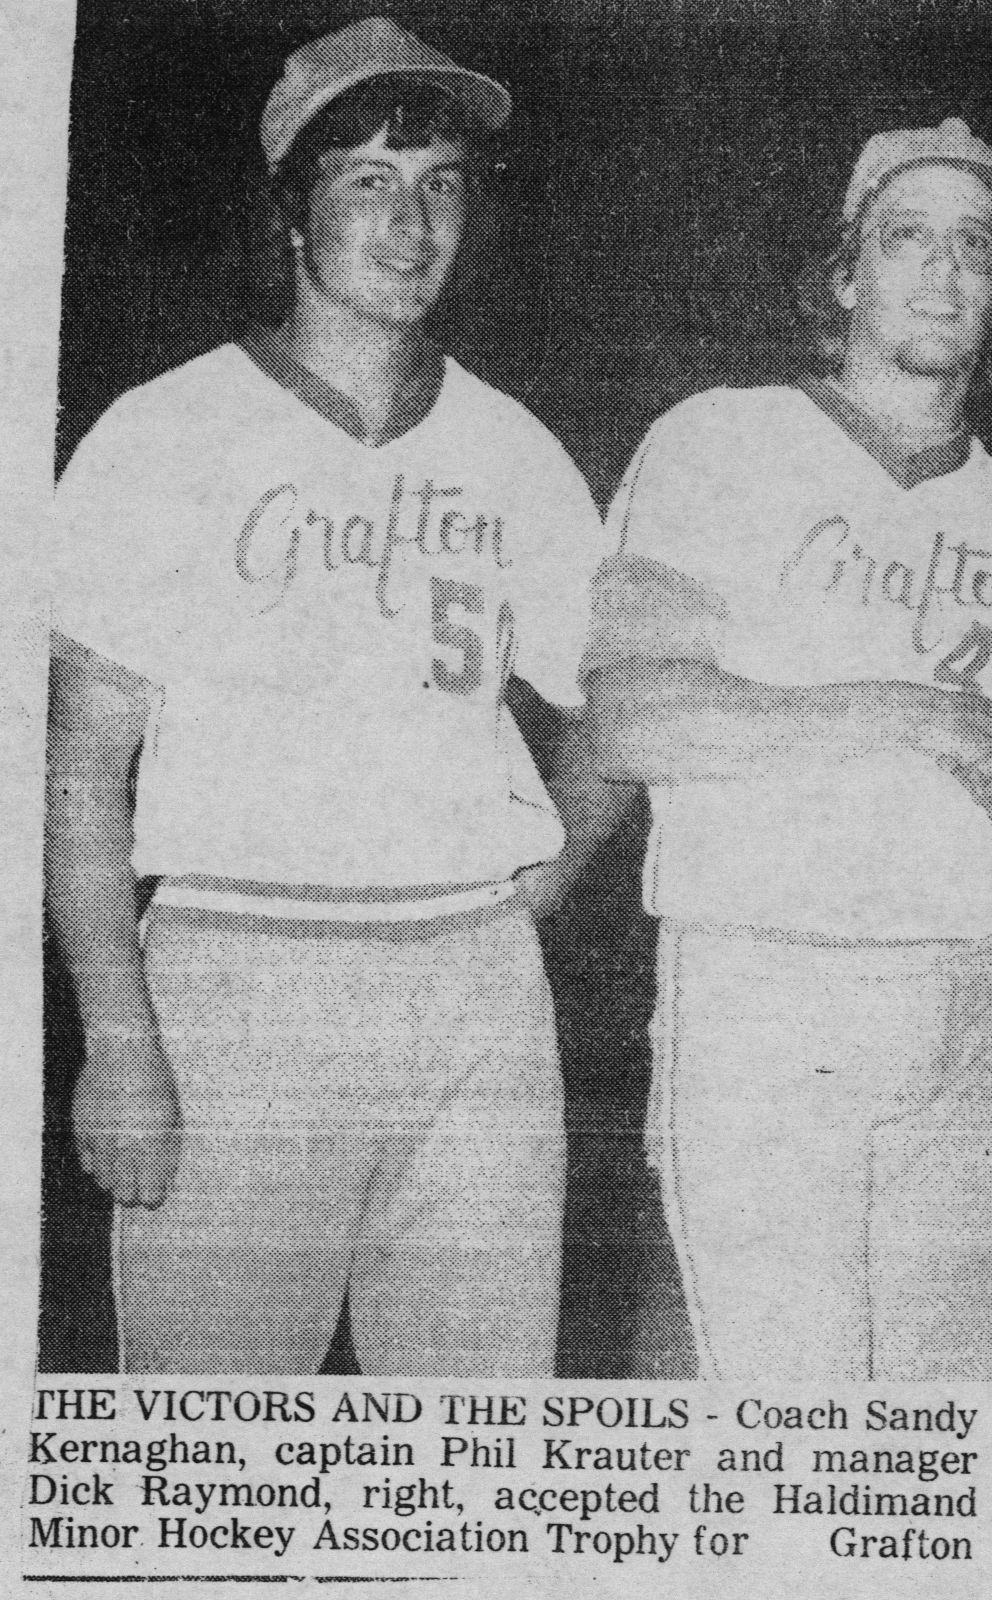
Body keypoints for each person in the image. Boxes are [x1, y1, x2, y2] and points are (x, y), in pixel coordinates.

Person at [584, 118, 992, 1381]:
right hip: (764, 985)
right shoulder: (718, 439)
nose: (940, 273)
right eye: (905, 237)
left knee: (955, 1438)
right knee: (796, 1437)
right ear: (844, 274)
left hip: (976, 996)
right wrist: (902, 708)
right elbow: (630, 720)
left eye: (973, 248)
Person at [44, 17, 619, 1375]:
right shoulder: (164, 431)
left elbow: (612, 705)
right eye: (367, 181)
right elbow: (78, 764)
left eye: (442, 187)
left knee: (479, 1467)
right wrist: (116, 1036)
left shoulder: (513, 447)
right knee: (219, 1465)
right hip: (242, 976)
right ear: (293, 212)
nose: (411, 223)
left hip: (476, 991)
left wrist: (541, 877)